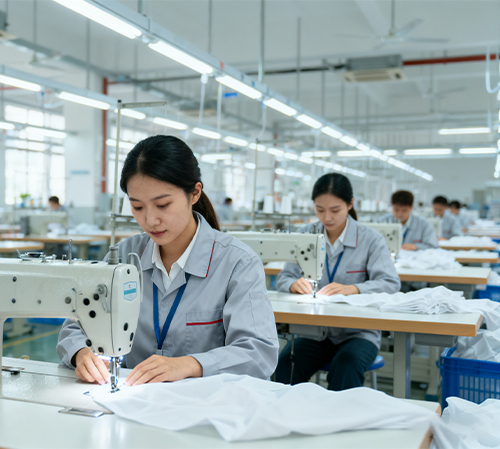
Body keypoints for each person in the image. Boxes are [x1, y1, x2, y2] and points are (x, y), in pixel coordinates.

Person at [57, 135, 279, 386]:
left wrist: (190, 365)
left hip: (207, 401)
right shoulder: (122, 257)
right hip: (135, 397)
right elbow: (75, 326)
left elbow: (258, 352)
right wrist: (81, 353)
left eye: (162, 205)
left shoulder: (237, 263)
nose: (150, 220)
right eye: (137, 207)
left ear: (194, 193)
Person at [274, 173, 401, 391]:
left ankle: (339, 414)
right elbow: (284, 277)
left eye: (335, 210)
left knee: (346, 365)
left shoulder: (370, 239)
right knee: (286, 363)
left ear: (350, 204)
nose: (327, 217)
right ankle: (289, 412)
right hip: (315, 331)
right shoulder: (305, 235)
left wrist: (354, 288)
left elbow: (390, 283)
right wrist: (293, 284)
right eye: (320, 210)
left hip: (358, 333)